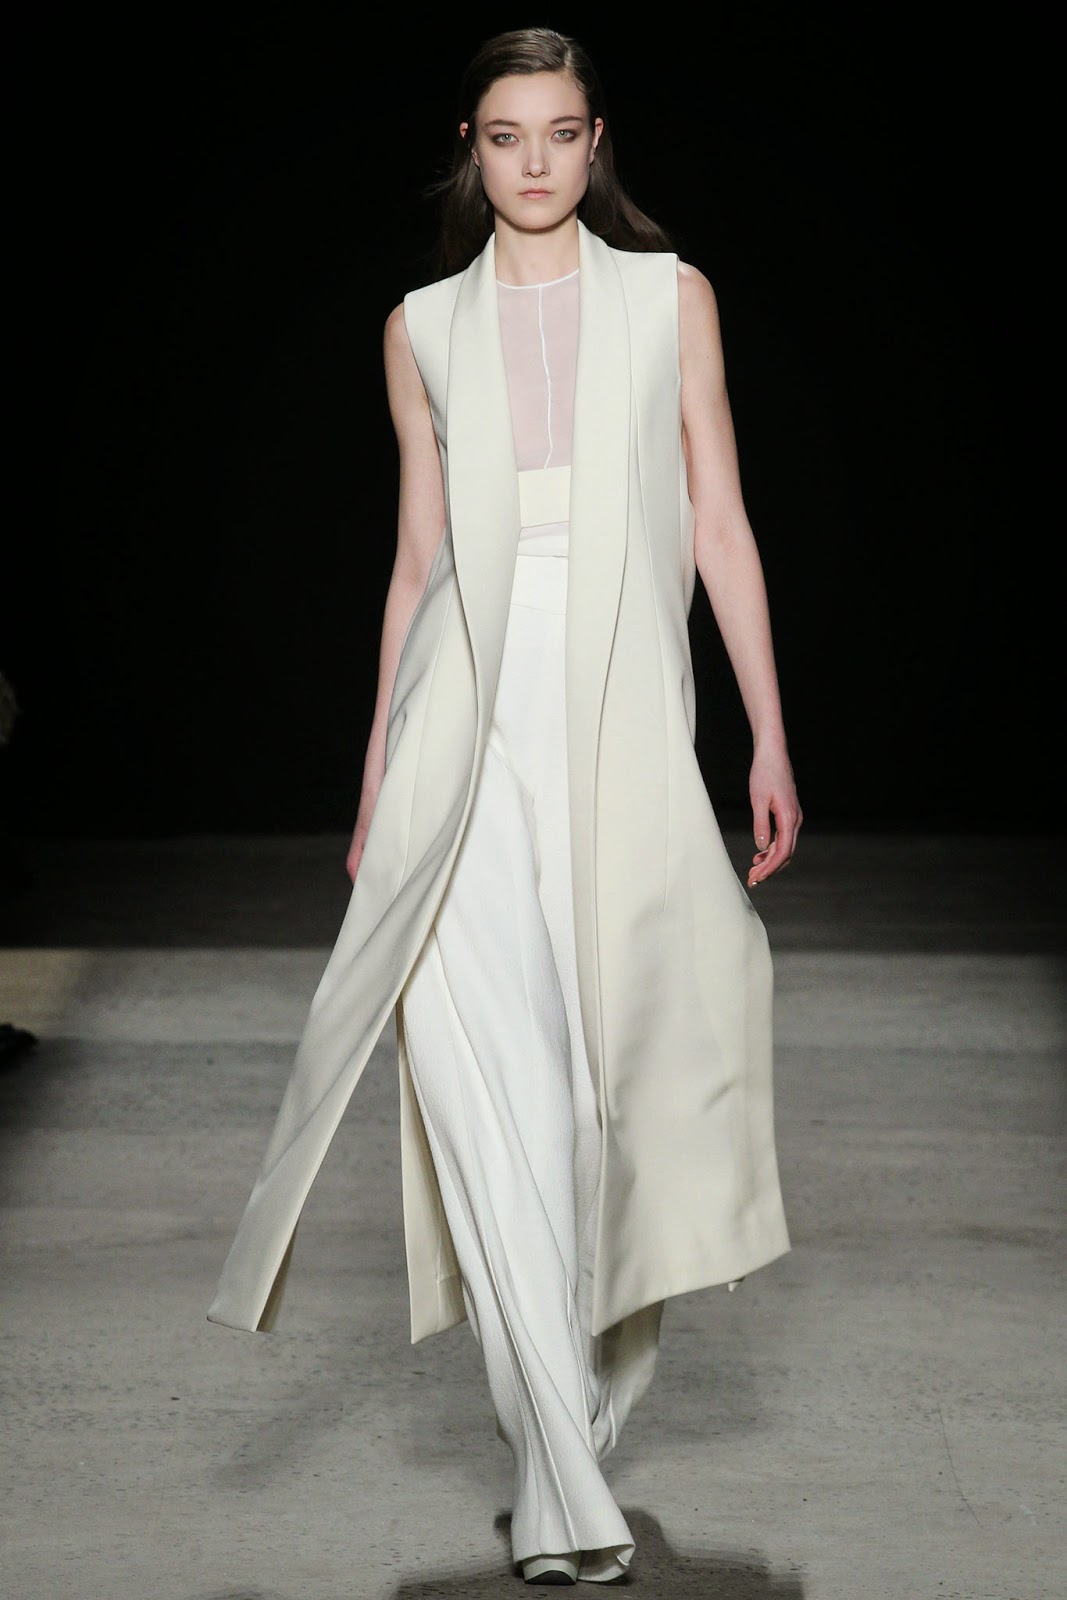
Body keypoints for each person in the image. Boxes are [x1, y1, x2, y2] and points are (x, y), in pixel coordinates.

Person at [208, 25, 801, 1588]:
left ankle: (577, 1412)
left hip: (619, 714)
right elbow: (415, 564)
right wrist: (375, 774)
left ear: (597, 142)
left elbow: (722, 524)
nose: (532, 161)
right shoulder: (420, 328)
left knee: (614, 1076)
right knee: (483, 1081)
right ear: (469, 151)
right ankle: (555, 1473)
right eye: (502, 135)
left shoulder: (669, 301)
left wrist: (768, 735)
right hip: (460, 721)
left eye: (558, 131)